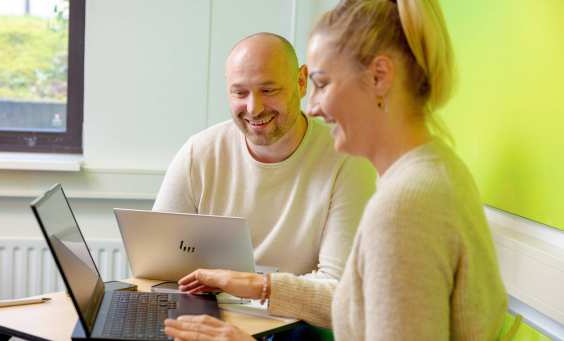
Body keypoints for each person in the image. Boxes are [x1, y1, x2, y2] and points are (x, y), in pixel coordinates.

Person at [164, 0, 508, 340]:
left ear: (379, 78)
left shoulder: (404, 207)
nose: (313, 105)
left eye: (323, 83)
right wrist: (259, 285)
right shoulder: (434, 172)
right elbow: (357, 301)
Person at [153, 32, 376, 280]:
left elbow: (337, 283)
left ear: (302, 82)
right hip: (208, 310)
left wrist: (251, 287)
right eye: (239, 93)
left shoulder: (347, 158)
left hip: (297, 317)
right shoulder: (199, 152)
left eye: (268, 90)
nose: (254, 108)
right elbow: (156, 264)